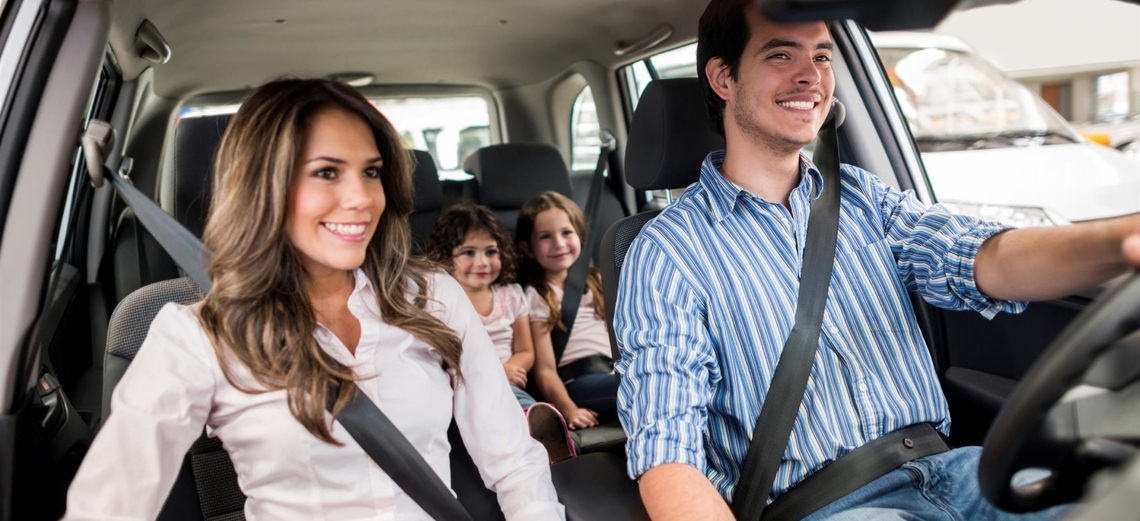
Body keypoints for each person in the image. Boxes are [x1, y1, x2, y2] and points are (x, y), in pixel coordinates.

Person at [613, 1, 1140, 520]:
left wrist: (1122, 240)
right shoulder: (667, 254)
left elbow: (985, 257)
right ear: (723, 79)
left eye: (821, 57)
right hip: (829, 506)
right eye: (781, 55)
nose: (811, 77)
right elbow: (668, 455)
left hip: (958, 474)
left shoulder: (863, 198)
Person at [63, 79, 564, 520]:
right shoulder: (197, 336)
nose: (362, 199)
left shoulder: (432, 297)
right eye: (326, 172)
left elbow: (514, 460)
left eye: (371, 172)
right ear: (264, 185)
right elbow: (112, 502)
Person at [424, 203, 576, 463]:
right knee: (483, 404)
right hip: (463, 382)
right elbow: (440, 355)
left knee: (513, 399)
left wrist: (509, 369)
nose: (482, 262)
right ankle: (531, 436)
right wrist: (493, 371)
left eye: (491, 251)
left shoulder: (511, 296)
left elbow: (526, 351)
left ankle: (540, 431)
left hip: (508, 384)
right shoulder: (438, 301)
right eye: (468, 252)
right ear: (444, 257)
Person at [517, 191, 618, 431]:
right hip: (577, 384)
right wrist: (569, 409)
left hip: (615, 371)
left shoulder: (598, 280)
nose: (559, 244)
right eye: (545, 237)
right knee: (640, 386)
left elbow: (620, 334)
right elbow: (545, 370)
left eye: (567, 233)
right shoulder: (538, 295)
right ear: (527, 248)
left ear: (581, 235)